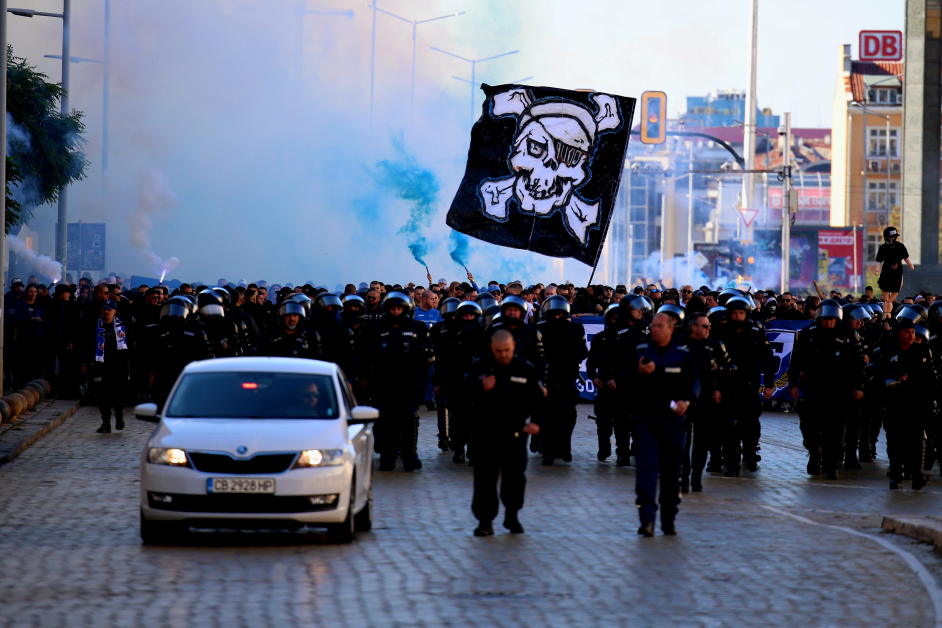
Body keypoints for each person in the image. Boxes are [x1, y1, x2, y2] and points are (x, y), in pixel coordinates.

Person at [619, 313, 700, 537]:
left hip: (673, 422)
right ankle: (647, 520)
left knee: (672, 473)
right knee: (646, 471)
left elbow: (694, 381)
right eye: (653, 326)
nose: (655, 330)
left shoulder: (681, 355)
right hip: (646, 420)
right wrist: (638, 371)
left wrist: (687, 400)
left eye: (660, 326)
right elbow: (623, 378)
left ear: (670, 329)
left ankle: (668, 519)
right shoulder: (641, 352)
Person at [464, 329, 544, 537]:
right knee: (484, 479)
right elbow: (461, 395)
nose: (503, 354)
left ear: (513, 347)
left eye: (506, 350)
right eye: (499, 351)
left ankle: (512, 515)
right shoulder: (479, 366)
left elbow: (539, 400)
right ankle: (485, 521)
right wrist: (481, 387)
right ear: (492, 348)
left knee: (514, 478)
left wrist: (536, 423)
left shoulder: (525, 369)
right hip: (485, 432)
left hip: (515, 433)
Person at [788, 300, 865, 479]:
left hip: (840, 389)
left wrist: (859, 387)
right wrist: (793, 384)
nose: (828, 323)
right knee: (809, 427)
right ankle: (815, 452)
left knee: (836, 429)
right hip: (814, 388)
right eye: (825, 319)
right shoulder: (808, 334)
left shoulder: (849, 334)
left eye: (832, 319)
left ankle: (831, 465)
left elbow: (859, 364)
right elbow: (796, 360)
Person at [360, 292, 434, 471]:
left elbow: (428, 354)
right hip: (383, 382)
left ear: (405, 309)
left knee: (410, 419)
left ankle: (410, 455)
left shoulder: (417, 327)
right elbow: (365, 355)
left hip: (410, 382)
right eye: (392, 308)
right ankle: (387, 456)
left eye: (398, 308)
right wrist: (365, 376)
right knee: (386, 421)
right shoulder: (376, 327)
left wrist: (421, 376)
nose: (395, 311)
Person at [713, 295, 775, 476]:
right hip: (727, 385)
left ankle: (750, 454)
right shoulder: (720, 333)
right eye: (735, 313)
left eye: (741, 313)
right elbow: (712, 363)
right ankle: (732, 462)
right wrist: (715, 388)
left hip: (750, 385)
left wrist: (769, 385)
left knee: (751, 424)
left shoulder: (756, 330)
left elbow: (768, 358)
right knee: (729, 424)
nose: (738, 316)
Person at [873, 318, 935, 490]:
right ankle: (896, 475)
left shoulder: (922, 351)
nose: (911, 335)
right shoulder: (888, 351)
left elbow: (931, 379)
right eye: (907, 332)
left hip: (916, 403)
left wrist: (931, 402)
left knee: (916, 440)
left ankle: (917, 474)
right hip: (894, 403)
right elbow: (877, 374)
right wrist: (893, 375)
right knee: (894, 442)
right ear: (899, 333)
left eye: (913, 332)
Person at [676, 312, 732, 492]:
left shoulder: (714, 345)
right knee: (682, 440)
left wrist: (718, 373)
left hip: (705, 399)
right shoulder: (678, 343)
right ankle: (683, 477)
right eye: (705, 326)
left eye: (709, 325)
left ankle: (697, 477)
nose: (709, 328)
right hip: (683, 399)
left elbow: (731, 368)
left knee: (702, 441)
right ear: (694, 327)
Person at [535, 295, 588, 465]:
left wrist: (572, 357)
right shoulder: (539, 329)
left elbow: (583, 350)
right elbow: (534, 352)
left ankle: (565, 446)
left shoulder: (575, 328)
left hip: (567, 376)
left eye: (559, 314)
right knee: (548, 414)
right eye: (553, 314)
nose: (556, 317)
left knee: (568, 414)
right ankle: (549, 450)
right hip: (547, 377)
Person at [86, 300, 132, 433]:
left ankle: (119, 416)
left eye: (109, 310)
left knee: (118, 395)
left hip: (118, 366)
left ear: (114, 312)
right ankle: (106, 423)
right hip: (101, 366)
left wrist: (126, 367)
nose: (106, 312)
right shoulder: (96, 326)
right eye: (104, 309)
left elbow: (127, 347)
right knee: (103, 395)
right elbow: (89, 344)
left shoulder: (121, 326)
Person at [876, 226, 915, 320]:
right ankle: (886, 310)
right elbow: (879, 261)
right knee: (885, 288)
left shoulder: (900, 246)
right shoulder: (883, 248)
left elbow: (906, 257)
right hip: (886, 271)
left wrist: (910, 264)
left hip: (897, 271)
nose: (892, 239)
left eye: (894, 237)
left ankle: (888, 308)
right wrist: (877, 270)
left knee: (896, 288)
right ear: (886, 237)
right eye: (890, 237)